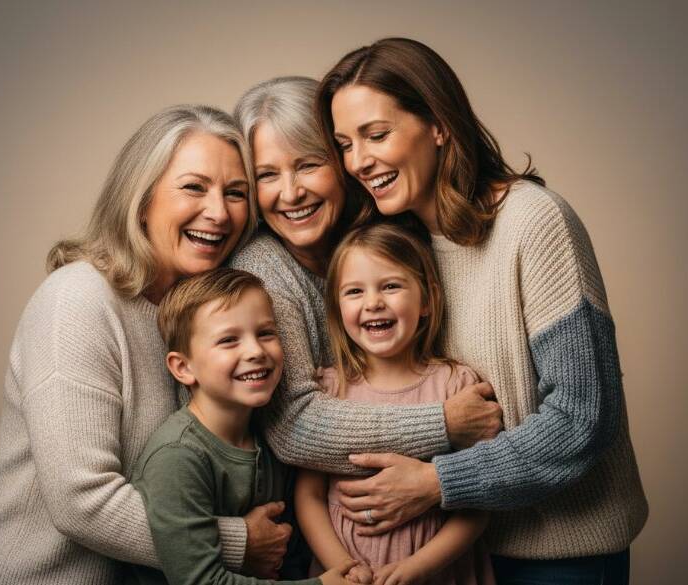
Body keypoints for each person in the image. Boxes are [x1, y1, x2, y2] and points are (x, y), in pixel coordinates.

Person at [316, 38, 649, 584]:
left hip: (561, 553)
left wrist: (436, 483)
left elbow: (584, 415)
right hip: (456, 556)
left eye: (377, 135)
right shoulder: (399, 248)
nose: (358, 161)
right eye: (345, 144)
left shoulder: (535, 223)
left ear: (439, 125)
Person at [0, 105, 289, 584]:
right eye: (193, 187)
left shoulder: (200, 313)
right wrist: (239, 541)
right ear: (142, 200)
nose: (219, 212)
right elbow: (83, 502)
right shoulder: (77, 301)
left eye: (236, 193)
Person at [229, 77, 504, 482]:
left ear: (343, 160)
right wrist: (443, 423)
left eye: (308, 164)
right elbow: (294, 428)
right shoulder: (261, 270)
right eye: (267, 175)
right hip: (322, 518)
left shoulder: (390, 230)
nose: (290, 194)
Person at [129, 267, 356, 585]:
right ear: (183, 367)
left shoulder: (269, 439)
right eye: (228, 340)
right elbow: (201, 581)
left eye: (265, 333)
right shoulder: (177, 456)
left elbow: (287, 555)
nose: (256, 351)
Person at [295, 223, 494, 585]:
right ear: (337, 311)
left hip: (438, 571)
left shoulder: (456, 387)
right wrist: (342, 566)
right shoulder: (328, 390)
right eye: (354, 291)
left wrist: (416, 569)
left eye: (391, 286)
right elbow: (308, 496)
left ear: (427, 301)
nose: (373, 302)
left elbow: (479, 503)